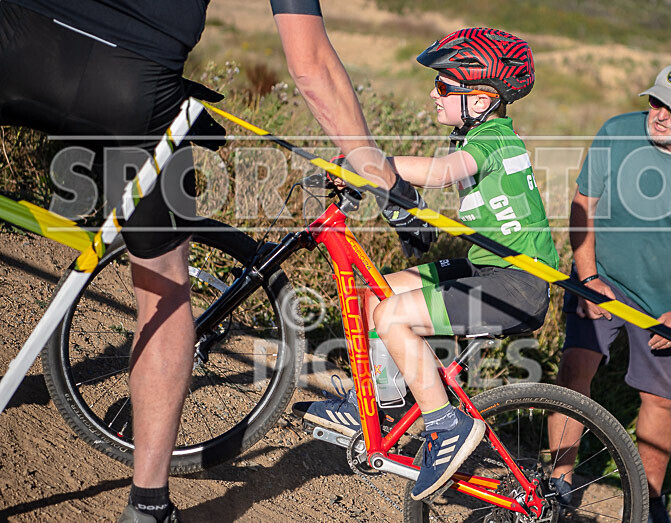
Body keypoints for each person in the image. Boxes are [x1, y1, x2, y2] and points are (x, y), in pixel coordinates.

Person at [0, 1, 434, 521]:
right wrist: (388, 182)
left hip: (15, 45)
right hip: (135, 89)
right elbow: (310, 64)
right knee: (162, 286)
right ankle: (148, 505)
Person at [293, 28, 558, 500]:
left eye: (443, 87)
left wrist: (370, 161)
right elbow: (425, 185)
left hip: (520, 284)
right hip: (490, 270)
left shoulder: (495, 139)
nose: (432, 95)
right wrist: (393, 195)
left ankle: (446, 424)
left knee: (393, 316)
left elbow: (440, 174)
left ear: (480, 101)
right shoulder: (475, 134)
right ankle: (380, 401)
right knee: (379, 292)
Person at [548, 64, 671, 522]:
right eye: (656, 101)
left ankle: (647, 501)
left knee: (660, 400)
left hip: (670, 302)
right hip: (604, 279)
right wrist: (588, 278)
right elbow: (582, 208)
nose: (660, 114)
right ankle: (557, 483)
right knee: (576, 369)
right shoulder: (615, 133)